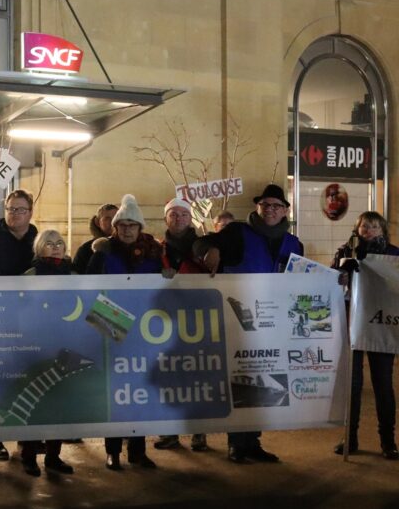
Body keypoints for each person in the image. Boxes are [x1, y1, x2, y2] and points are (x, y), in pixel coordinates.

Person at [194, 183, 302, 464]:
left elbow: (303, 279)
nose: (270, 210)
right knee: (239, 378)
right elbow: (201, 242)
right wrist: (210, 251)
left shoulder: (294, 243)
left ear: (285, 211)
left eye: (276, 206)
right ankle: (236, 443)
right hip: (238, 320)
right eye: (265, 205)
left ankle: (253, 441)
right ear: (257, 207)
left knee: (265, 380)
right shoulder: (238, 232)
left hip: (273, 323)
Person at [88, 194, 161, 471]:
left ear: (140, 227)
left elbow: (166, 280)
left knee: (139, 388)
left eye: (133, 224)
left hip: (143, 323)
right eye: (123, 225)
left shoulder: (154, 253)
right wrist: (98, 255)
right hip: (109, 318)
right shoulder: (105, 250)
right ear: (115, 228)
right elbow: (88, 280)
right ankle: (113, 450)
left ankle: (138, 450)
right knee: (116, 389)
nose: (128, 230)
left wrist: (169, 272)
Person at [331, 211, 399, 459]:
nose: (368, 231)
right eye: (364, 227)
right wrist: (342, 273)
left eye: (374, 227)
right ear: (357, 229)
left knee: (383, 384)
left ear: (382, 230)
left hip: (381, 325)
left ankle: (388, 440)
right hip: (353, 323)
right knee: (353, 384)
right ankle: (350, 437)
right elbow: (331, 283)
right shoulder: (345, 252)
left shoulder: (393, 254)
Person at [0, 189, 38, 461]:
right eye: (11, 209)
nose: (15, 214)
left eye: (21, 209)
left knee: (29, 378)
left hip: (32, 322)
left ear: (31, 212)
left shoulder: (40, 241)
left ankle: (28, 439)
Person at [153, 198, 209, 453]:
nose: (178, 218)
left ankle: (199, 433)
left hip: (198, 320)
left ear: (191, 219)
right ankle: (170, 430)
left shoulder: (204, 248)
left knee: (198, 376)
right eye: (173, 214)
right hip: (165, 322)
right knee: (170, 376)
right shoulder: (156, 250)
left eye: (184, 214)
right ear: (166, 218)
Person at [21, 229, 76, 476]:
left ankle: (54, 456)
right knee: (36, 403)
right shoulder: (30, 276)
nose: (55, 247)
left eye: (59, 243)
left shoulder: (75, 275)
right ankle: (29, 455)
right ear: (39, 248)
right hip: (37, 348)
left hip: (67, 346)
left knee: (61, 404)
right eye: (49, 244)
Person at [72, 203, 118, 274]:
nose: (112, 223)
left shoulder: (125, 246)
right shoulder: (85, 250)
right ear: (97, 222)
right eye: (107, 219)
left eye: (116, 218)